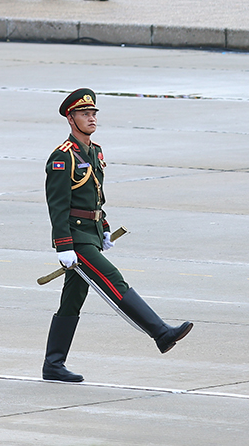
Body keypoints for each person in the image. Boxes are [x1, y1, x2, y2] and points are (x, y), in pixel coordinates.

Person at [42, 89, 193, 382]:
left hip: (92, 235)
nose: (91, 118)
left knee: (72, 300)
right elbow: (58, 205)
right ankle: (161, 333)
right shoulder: (62, 157)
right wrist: (63, 246)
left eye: (94, 113)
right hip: (76, 240)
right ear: (70, 118)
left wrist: (105, 226)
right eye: (85, 114)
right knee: (114, 279)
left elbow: (95, 195)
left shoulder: (95, 151)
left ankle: (53, 365)